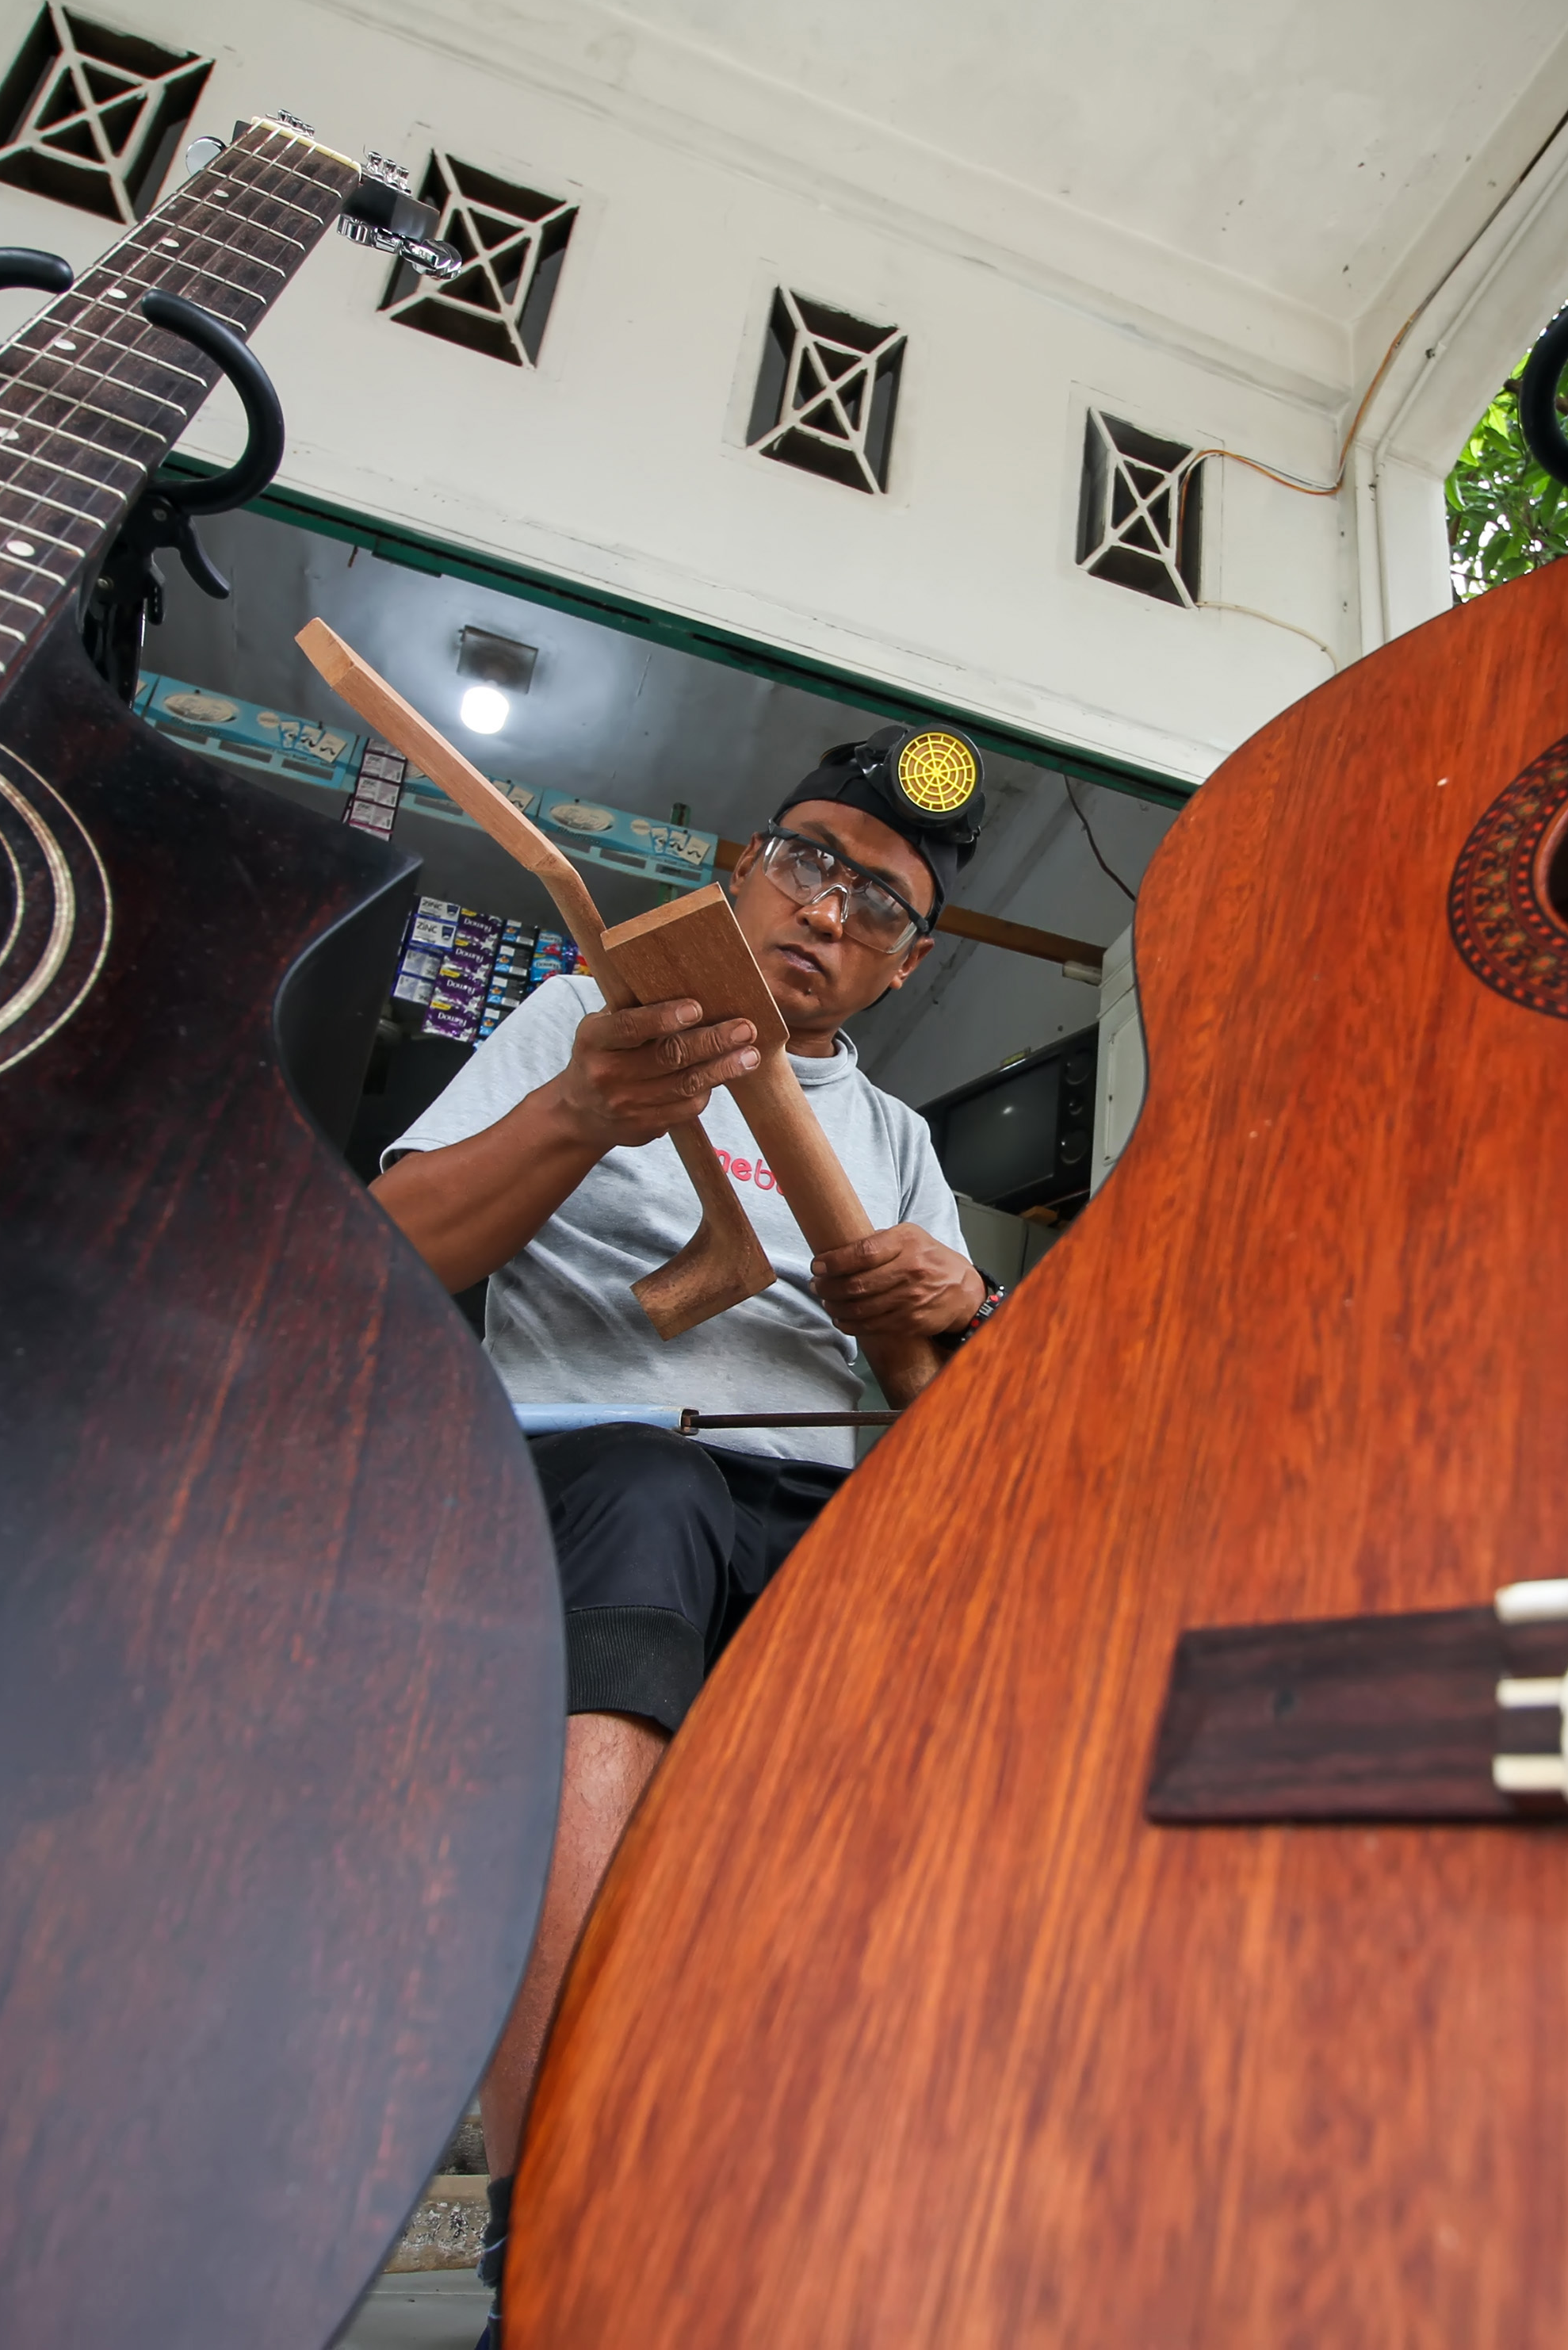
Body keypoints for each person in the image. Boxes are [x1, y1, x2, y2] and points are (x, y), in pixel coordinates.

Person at [372, 725, 1012, 2340]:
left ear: (904, 969)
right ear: (741, 865)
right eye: (808, 862)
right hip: (586, 1473)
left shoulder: (901, 1149)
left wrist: (966, 1310)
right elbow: (384, 1251)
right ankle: (549, 2229)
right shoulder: (585, 1019)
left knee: (968, 1636)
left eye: (879, 906)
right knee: (654, 1505)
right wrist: (583, 1112)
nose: (828, 914)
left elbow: (951, 1422)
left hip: (811, 1508)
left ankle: (850, 2216)